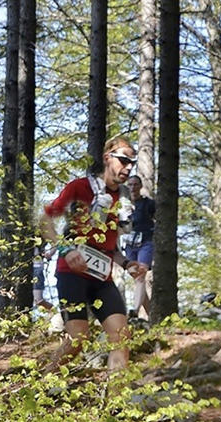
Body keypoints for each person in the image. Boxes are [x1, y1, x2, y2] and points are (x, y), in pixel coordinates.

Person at [40, 136, 147, 373]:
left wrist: (127, 263)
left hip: (102, 278)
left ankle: (115, 405)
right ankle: (41, 384)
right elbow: (45, 219)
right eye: (123, 160)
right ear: (107, 158)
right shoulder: (80, 187)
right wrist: (66, 250)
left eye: (132, 163)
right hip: (72, 272)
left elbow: (110, 247)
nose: (128, 167)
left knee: (122, 336)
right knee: (78, 339)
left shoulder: (124, 198)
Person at [123, 175, 155, 321]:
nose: (133, 187)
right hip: (129, 246)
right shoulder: (122, 206)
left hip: (146, 243)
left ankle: (135, 311)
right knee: (137, 279)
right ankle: (152, 316)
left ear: (140, 186)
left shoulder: (149, 204)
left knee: (141, 276)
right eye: (130, 185)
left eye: (135, 184)